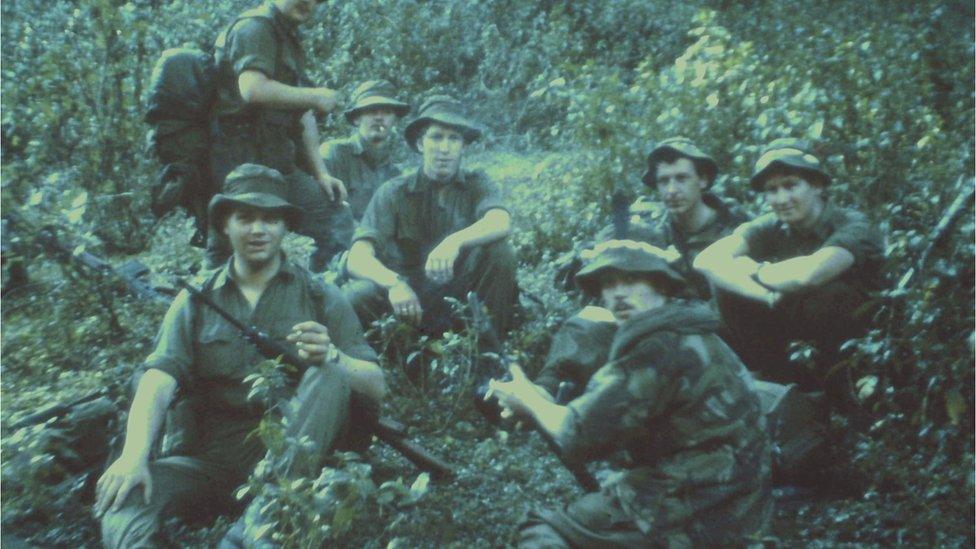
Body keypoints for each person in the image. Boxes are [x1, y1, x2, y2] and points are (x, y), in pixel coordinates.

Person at [95, 164, 386, 548]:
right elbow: (158, 378)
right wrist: (133, 456)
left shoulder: (319, 295)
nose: (258, 230)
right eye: (245, 218)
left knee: (329, 376)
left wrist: (334, 356)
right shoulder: (195, 300)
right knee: (125, 496)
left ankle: (261, 524)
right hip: (208, 458)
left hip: (293, 457)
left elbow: (376, 385)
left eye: (270, 218)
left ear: (284, 226)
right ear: (225, 225)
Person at [487, 241, 771, 547]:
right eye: (609, 284)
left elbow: (576, 433)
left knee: (541, 529)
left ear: (662, 288)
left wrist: (527, 399)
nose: (618, 293)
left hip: (698, 516)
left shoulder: (657, 348)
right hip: (744, 506)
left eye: (632, 280)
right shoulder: (693, 330)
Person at [537, 137, 747, 401]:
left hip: (721, 338)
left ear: (703, 180)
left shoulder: (738, 232)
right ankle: (546, 390)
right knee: (592, 318)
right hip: (660, 328)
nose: (671, 189)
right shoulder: (654, 230)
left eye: (681, 178)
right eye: (664, 181)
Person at [694, 138, 886, 406]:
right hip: (797, 339)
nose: (781, 199)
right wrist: (765, 295)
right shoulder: (772, 224)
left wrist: (757, 270)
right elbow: (707, 260)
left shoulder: (854, 226)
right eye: (772, 190)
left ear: (817, 185)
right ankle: (768, 381)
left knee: (830, 293)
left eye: (791, 185)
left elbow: (810, 274)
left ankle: (843, 397)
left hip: (857, 345)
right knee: (724, 286)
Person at [342, 95, 517, 339]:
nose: (444, 148)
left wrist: (453, 242)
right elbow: (358, 257)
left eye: (453, 138)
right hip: (408, 300)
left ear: (463, 146)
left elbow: (500, 220)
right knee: (355, 295)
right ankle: (390, 359)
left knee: (500, 252)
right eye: (436, 137)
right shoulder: (394, 192)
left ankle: (487, 352)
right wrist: (394, 284)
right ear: (421, 143)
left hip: (462, 296)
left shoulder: (477, 183)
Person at [207, 0, 347, 271]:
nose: (309, 4)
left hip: (278, 160)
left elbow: (302, 111)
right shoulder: (254, 27)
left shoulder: (286, 35)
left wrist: (320, 173)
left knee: (334, 218)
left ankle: (325, 295)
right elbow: (252, 88)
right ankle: (209, 306)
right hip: (241, 164)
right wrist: (316, 95)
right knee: (229, 251)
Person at [318, 79, 410, 252]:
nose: (379, 117)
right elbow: (323, 215)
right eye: (371, 111)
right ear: (356, 118)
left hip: (378, 253)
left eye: (387, 111)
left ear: (394, 120)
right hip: (336, 254)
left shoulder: (395, 175)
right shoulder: (335, 154)